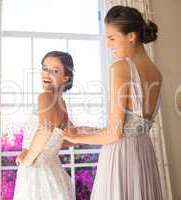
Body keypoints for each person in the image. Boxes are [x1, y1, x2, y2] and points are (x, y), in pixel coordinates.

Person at [63, 6, 163, 200]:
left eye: (111, 38)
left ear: (131, 36)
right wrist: (85, 130)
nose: (109, 45)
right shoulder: (157, 73)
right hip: (143, 153)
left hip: (122, 156)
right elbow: (131, 125)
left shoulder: (121, 68)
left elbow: (114, 133)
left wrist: (75, 139)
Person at [13, 51, 75, 200]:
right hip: (53, 173)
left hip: (36, 173)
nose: (47, 74)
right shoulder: (61, 103)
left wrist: (26, 159)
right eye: (45, 68)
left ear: (66, 77)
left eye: (55, 71)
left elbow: (46, 129)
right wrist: (50, 148)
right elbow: (72, 138)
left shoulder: (45, 96)